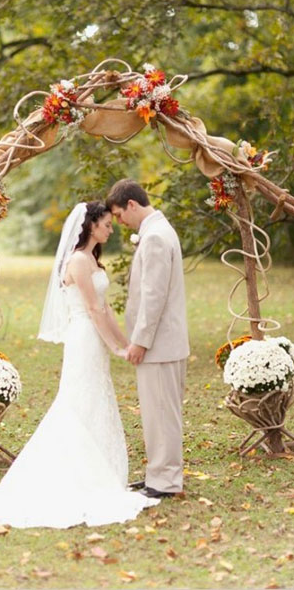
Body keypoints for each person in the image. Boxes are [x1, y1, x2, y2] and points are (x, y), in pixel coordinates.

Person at [0, 202, 159, 528]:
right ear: (90, 226)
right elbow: (93, 310)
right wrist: (115, 347)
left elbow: (106, 310)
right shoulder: (78, 262)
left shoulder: (93, 261)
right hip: (84, 337)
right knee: (78, 401)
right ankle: (77, 474)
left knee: (96, 399)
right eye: (106, 225)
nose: (111, 230)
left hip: (95, 336)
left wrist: (125, 343)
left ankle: (102, 470)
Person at [107, 179, 189, 499]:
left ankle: (165, 482)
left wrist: (139, 341)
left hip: (159, 344)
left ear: (132, 204)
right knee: (159, 413)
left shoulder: (155, 237)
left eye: (118, 214)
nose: (118, 221)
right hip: (165, 342)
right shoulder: (158, 230)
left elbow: (153, 297)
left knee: (162, 414)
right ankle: (159, 473)